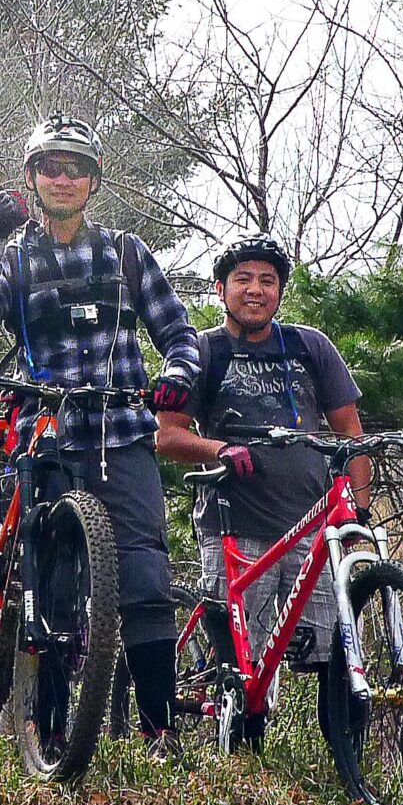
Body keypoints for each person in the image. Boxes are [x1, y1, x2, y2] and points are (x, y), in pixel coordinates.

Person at [0, 115, 202, 756]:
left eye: (76, 168)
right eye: (50, 167)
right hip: (44, 437)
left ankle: (159, 730)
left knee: (146, 577)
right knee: (53, 585)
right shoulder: (14, 255)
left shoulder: (126, 253)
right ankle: (52, 731)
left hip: (121, 432)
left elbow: (178, 333)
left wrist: (176, 377)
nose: (63, 179)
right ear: (33, 178)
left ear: (94, 182)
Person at [155, 236, 369, 669]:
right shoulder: (201, 351)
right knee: (238, 667)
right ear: (220, 289)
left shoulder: (311, 346)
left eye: (268, 281)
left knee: (333, 663)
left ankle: (341, 735)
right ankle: (234, 731)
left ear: (280, 292)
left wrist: (358, 510)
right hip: (235, 528)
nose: (256, 290)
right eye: (243, 279)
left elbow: (350, 431)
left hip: (312, 532)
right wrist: (219, 449)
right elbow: (167, 436)